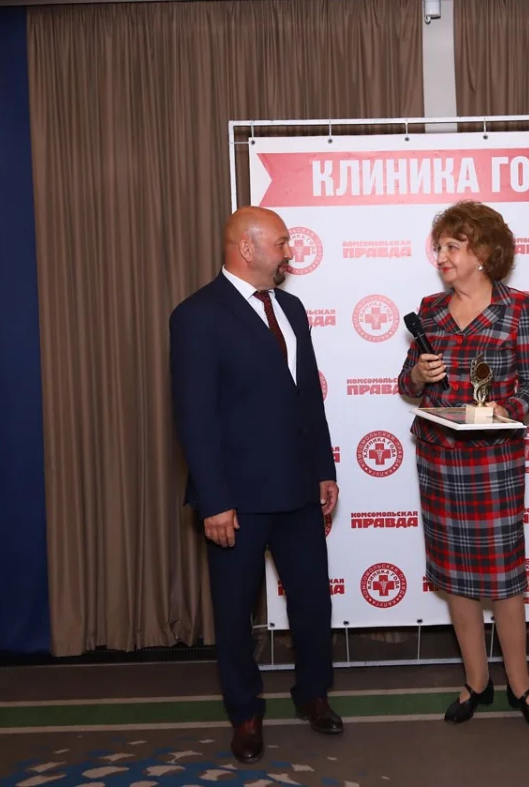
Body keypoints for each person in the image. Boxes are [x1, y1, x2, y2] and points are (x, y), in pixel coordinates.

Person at [169, 206, 343, 762]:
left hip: (298, 489)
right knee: (234, 612)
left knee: (313, 602)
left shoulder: (290, 308)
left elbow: (307, 398)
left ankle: (313, 694)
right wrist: (215, 500)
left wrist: (323, 469)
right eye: (282, 242)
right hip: (236, 500)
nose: (290, 252)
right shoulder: (197, 315)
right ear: (247, 248)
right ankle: (245, 712)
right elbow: (195, 418)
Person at [397, 200, 529, 730]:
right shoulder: (429, 311)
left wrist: (504, 409)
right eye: (439, 247)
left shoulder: (518, 309)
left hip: (493, 462)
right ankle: (476, 681)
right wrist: (418, 375)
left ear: (483, 252)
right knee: (455, 578)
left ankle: (521, 685)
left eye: (452, 247)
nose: (441, 256)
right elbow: (406, 386)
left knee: (505, 579)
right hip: (440, 460)